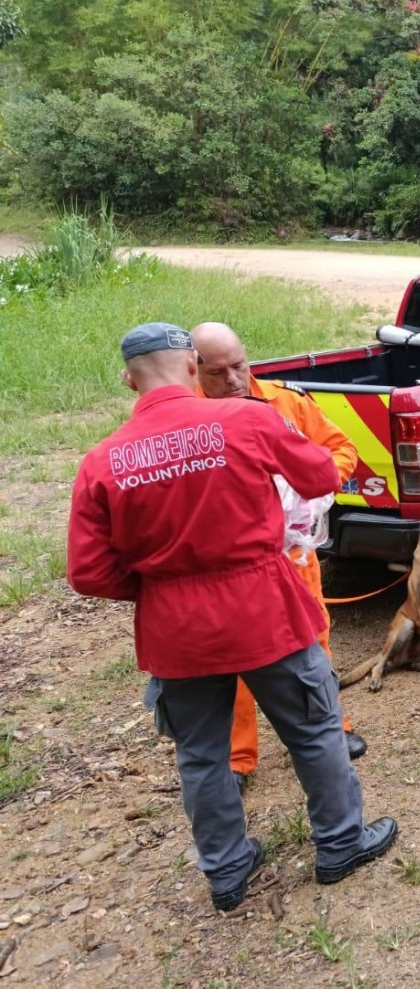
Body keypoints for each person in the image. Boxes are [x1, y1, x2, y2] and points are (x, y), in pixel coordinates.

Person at [67, 324, 397, 911]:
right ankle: (340, 844)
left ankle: (225, 870)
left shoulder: (102, 461)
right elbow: (321, 475)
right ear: (193, 367)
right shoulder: (247, 419)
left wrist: (161, 589)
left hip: (176, 632)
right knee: (315, 730)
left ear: (127, 379)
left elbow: (88, 572)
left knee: (199, 754)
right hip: (263, 609)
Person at [190, 322, 367, 791]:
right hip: (227, 567)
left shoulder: (286, 402)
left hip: (292, 557)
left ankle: (332, 731)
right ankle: (237, 759)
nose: (232, 379)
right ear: (194, 371)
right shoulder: (187, 420)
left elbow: (341, 449)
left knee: (314, 643)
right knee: (236, 662)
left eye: (239, 366)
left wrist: (313, 493)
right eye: (218, 372)